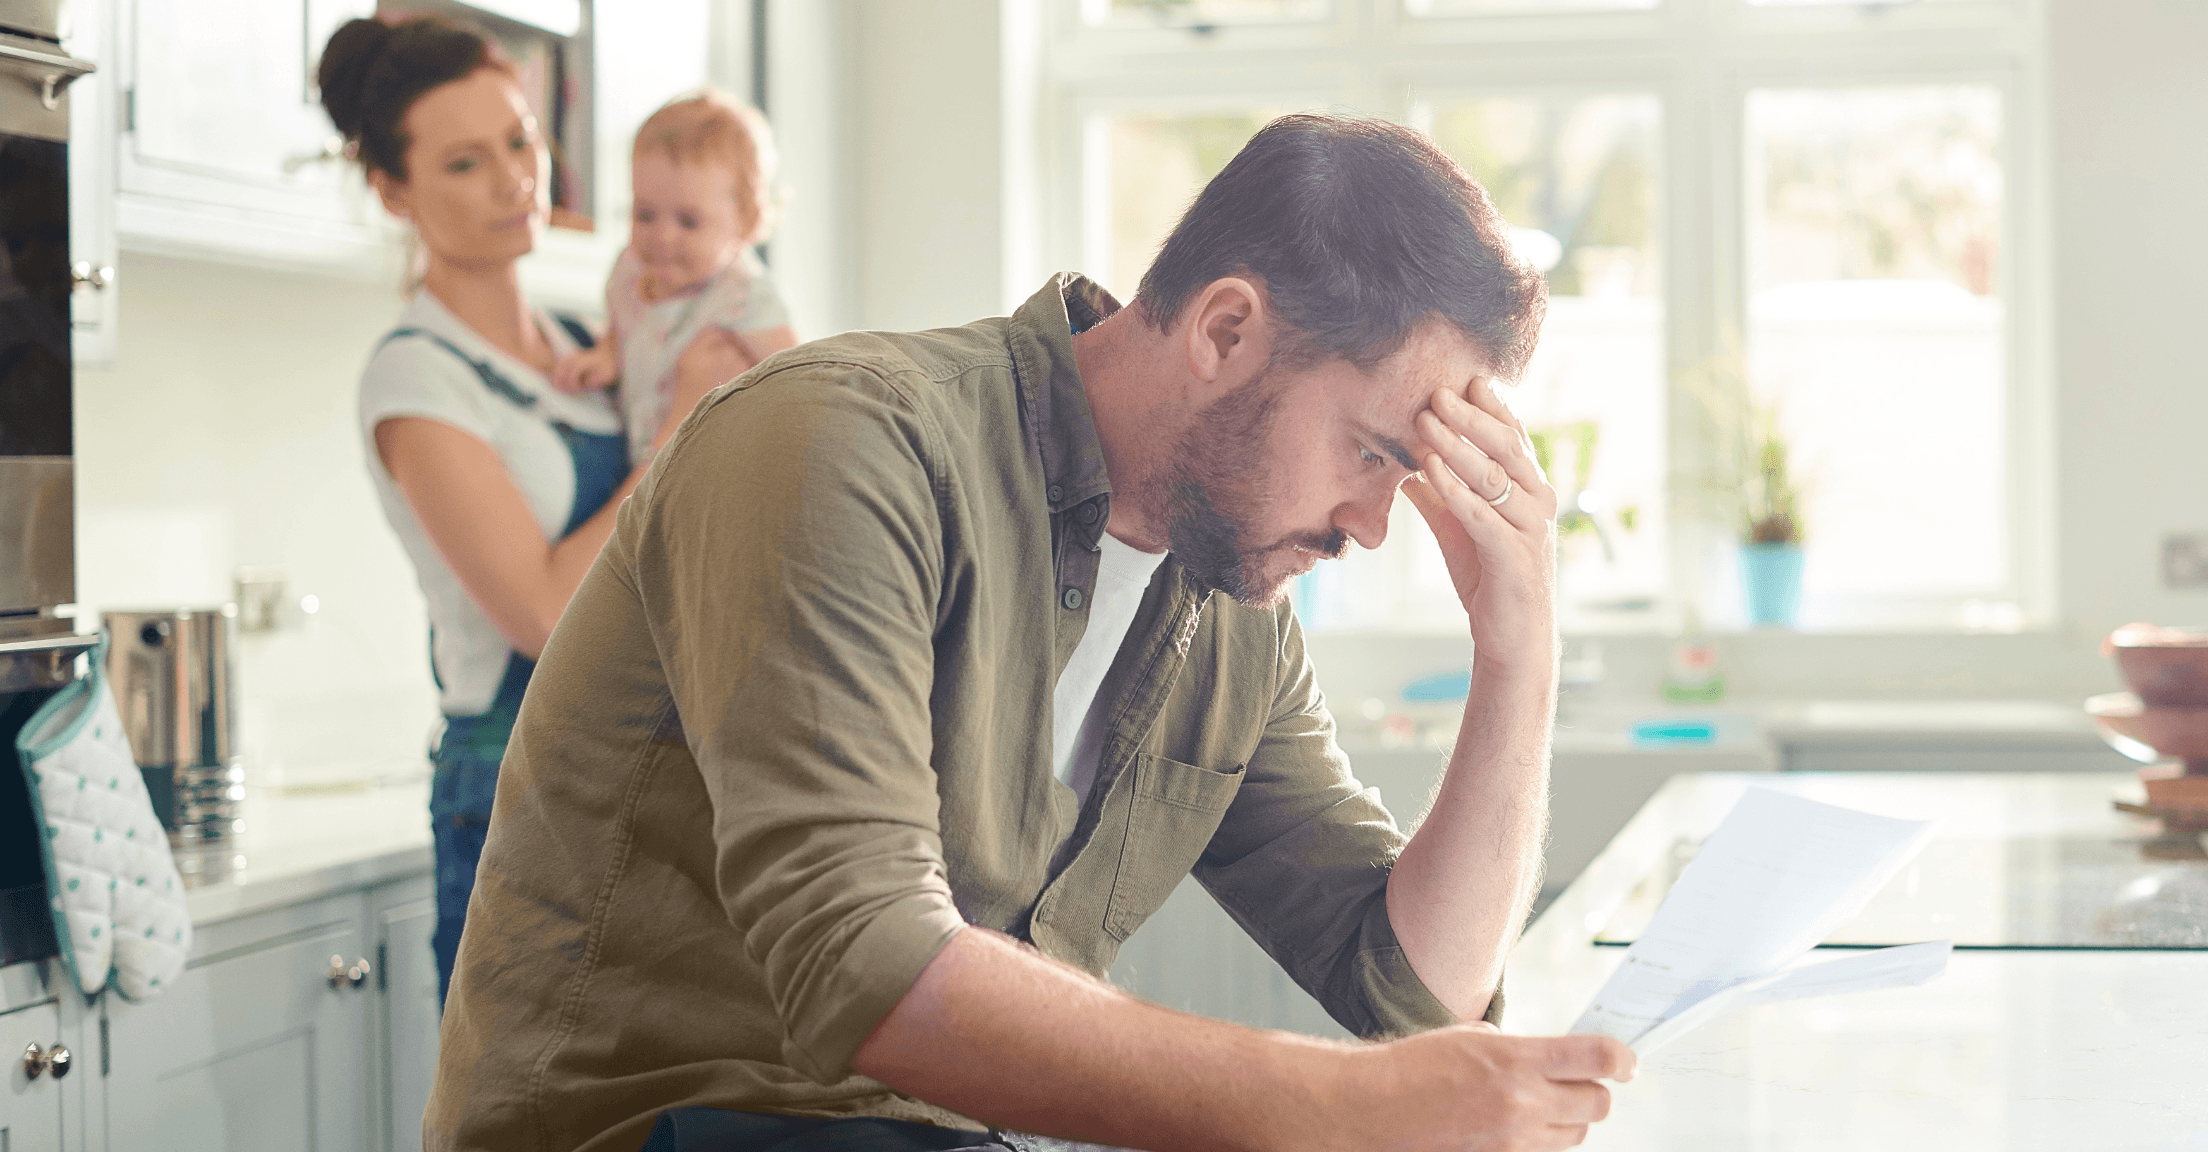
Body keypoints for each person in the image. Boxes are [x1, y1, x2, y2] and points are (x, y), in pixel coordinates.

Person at [427, 113, 1636, 1152]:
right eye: (1374, 453)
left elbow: (1414, 989)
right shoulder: (840, 446)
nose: (1377, 525)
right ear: (1225, 331)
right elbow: (864, 959)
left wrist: (1519, 652)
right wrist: (1328, 1105)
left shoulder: (1230, 617)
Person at [317, 14, 747, 1001]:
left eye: (520, 140)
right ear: (393, 190)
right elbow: (549, 613)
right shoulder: (416, 380)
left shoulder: (585, 346)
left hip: (658, 777)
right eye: (466, 162)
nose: (515, 178)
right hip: (520, 791)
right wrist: (687, 420)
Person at [551, 90, 800, 468]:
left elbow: (800, 375)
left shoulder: (744, 297)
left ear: (745, 222)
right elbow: (620, 330)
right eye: (645, 214)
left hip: (720, 468)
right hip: (647, 463)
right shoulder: (630, 269)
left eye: (689, 221)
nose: (663, 237)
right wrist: (607, 357)